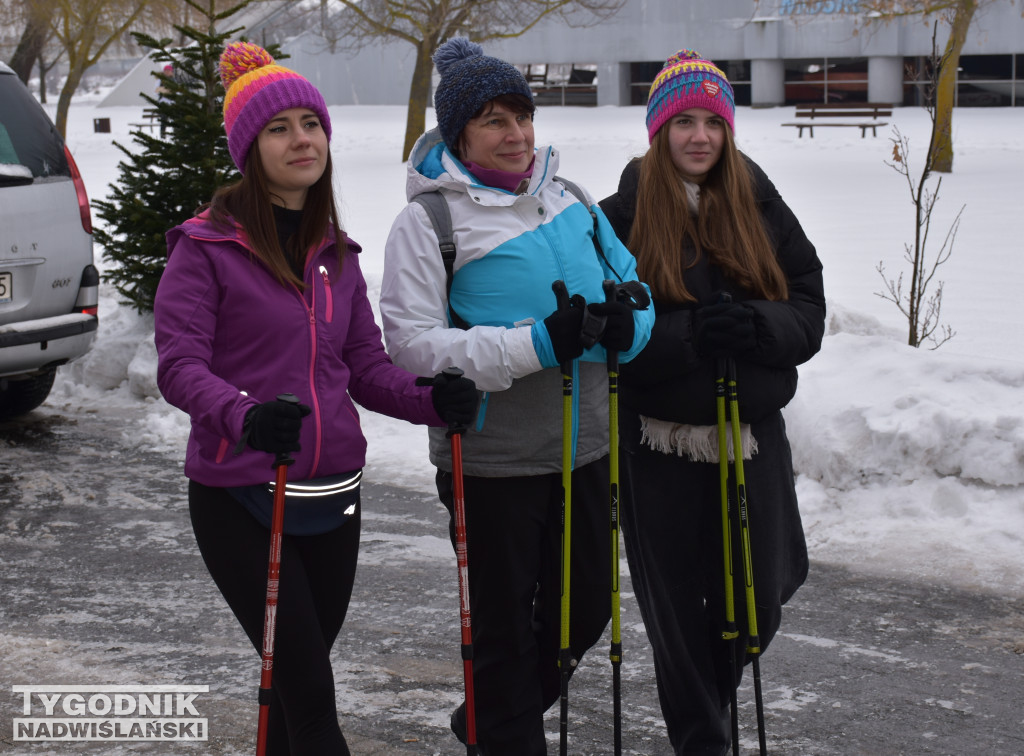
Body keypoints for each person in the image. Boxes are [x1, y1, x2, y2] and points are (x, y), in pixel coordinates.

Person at [153, 42, 478, 755]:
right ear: (250, 147)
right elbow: (178, 365)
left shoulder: (336, 252)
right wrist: (245, 415)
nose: (302, 139)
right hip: (245, 492)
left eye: (311, 122)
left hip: (332, 498)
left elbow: (362, 366)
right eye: (280, 128)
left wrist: (433, 399)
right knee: (313, 711)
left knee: (294, 689)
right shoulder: (205, 248)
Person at [379, 37, 655, 756]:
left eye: (522, 116)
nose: (516, 135)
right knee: (501, 636)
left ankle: (489, 723)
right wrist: (536, 343)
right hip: (494, 463)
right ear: (459, 133)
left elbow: (632, 281)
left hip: (585, 446)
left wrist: (634, 321)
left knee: (586, 612)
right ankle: (504, 732)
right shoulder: (430, 223)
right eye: (495, 121)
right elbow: (409, 344)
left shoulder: (570, 199)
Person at [599, 50, 825, 756]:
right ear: (657, 131)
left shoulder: (760, 202)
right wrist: (686, 336)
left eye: (712, 123)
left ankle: (708, 706)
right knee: (679, 615)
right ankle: (704, 741)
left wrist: (760, 326)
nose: (699, 136)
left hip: (750, 435)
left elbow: (809, 306)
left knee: (759, 598)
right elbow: (611, 330)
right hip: (658, 443)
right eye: (682, 122)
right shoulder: (620, 215)